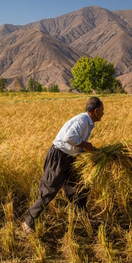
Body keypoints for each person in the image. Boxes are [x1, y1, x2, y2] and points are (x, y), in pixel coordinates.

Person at [22, 97, 104, 234]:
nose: (103, 113)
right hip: (59, 157)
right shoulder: (82, 120)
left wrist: (87, 150)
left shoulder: (87, 122)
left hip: (70, 158)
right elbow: (68, 138)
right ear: (95, 111)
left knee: (80, 188)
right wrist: (86, 145)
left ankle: (82, 219)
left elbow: (74, 142)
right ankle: (27, 223)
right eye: (102, 111)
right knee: (48, 191)